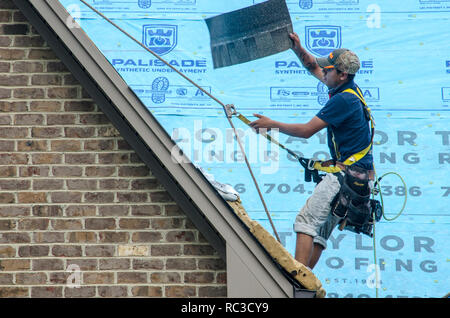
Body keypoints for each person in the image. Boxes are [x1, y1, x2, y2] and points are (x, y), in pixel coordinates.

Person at [249, 32, 374, 269]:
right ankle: (305, 285)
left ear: (342, 74)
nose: (323, 72)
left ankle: (296, 283)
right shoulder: (348, 90)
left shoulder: (343, 100)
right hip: (360, 180)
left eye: (328, 70)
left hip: (346, 177)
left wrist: (270, 124)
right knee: (319, 234)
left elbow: (307, 131)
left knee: (305, 222)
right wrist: (298, 49)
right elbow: (312, 67)